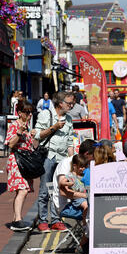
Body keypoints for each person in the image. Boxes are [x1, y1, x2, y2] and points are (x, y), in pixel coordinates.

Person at [34, 91, 75, 233]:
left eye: (72, 103)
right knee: (45, 190)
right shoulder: (46, 114)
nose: (71, 105)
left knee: (60, 190)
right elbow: (38, 135)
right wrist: (54, 127)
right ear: (60, 103)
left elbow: (70, 142)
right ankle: (43, 221)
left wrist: (72, 161)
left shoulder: (69, 119)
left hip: (63, 158)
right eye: (69, 103)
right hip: (48, 156)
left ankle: (57, 220)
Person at [5, 101, 36, 231]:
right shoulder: (14, 125)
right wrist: (18, 133)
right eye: (27, 112)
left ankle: (15, 219)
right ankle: (18, 220)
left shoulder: (27, 125)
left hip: (25, 163)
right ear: (20, 113)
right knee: (22, 190)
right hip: (17, 161)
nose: (29, 115)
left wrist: (33, 137)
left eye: (31, 112)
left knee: (22, 191)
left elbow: (29, 145)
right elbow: (10, 144)